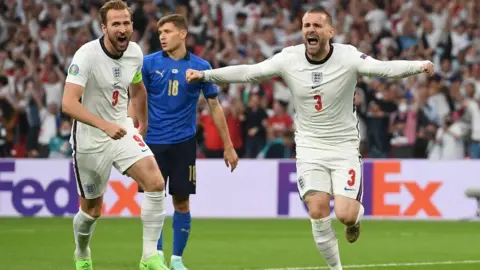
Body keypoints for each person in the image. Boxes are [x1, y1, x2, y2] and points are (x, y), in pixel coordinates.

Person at [186, 7, 434, 270]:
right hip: (309, 146)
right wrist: (206, 75)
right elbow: (249, 72)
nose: (310, 30)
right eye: (306, 26)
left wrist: (418, 66)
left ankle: (355, 220)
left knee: (346, 215)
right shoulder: (289, 59)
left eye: (317, 25)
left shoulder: (347, 56)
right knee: (317, 211)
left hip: (343, 146)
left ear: (330, 32)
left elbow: (383, 69)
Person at [62, 1, 169, 269]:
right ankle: (82, 252)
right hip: (90, 139)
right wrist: (104, 125)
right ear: (104, 27)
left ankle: (149, 256)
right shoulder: (86, 55)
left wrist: (142, 122)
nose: (123, 29)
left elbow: (138, 88)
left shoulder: (135, 52)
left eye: (127, 23)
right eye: (116, 24)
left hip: (122, 130)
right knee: (92, 211)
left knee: (155, 182)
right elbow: (68, 104)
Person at [129, 14, 239, 270]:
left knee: (181, 202)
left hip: (183, 144)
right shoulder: (148, 64)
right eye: (160, 34)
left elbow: (214, 106)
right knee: (153, 200)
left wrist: (228, 145)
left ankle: (176, 259)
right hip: (152, 144)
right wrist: (131, 133)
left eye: (167, 32)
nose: (163, 37)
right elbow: (135, 99)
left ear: (182, 34)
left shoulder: (201, 67)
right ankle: (153, 255)